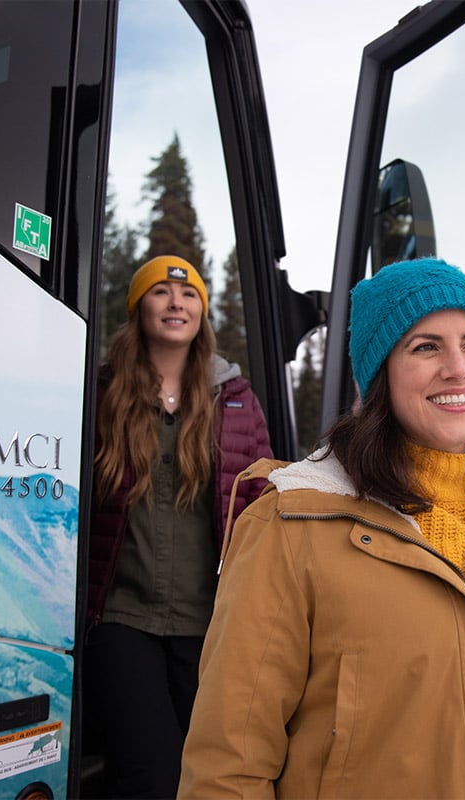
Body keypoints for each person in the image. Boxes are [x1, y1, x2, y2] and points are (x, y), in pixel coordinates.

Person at [178, 257, 465, 799]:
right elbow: (229, 767)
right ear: (380, 372)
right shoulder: (292, 528)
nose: (458, 368)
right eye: (426, 346)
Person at [83, 254, 273, 799]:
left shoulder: (235, 399)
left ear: (202, 314)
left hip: (209, 621)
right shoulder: (102, 393)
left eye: (189, 295)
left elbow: (260, 497)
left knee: (207, 772)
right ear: (138, 308)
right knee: (150, 772)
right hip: (121, 616)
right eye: (161, 293)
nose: (176, 303)